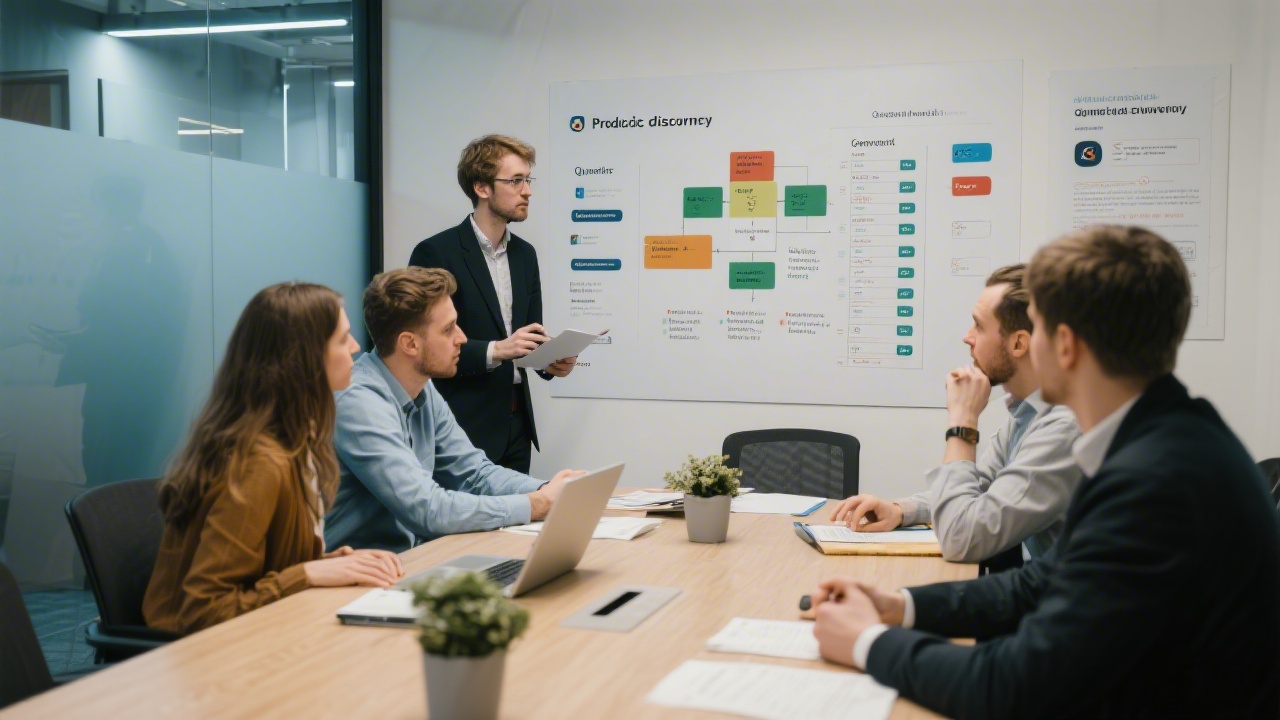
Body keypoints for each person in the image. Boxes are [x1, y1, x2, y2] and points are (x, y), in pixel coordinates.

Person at [811, 226, 1280, 718]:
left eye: (1037, 328)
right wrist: (899, 606)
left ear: (1065, 346)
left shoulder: (1153, 483)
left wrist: (866, 641)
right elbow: (1040, 581)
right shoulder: (1164, 435)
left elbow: (1014, 687)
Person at [144, 283, 404, 635]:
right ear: (306, 359)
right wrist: (308, 573)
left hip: (262, 634)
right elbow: (204, 609)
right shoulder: (259, 464)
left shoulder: (295, 441)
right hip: (200, 653)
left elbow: (263, 573)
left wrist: (330, 565)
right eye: (343, 339)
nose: (356, 347)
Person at [828, 265, 1081, 564]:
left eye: (979, 326)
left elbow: (961, 538)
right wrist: (900, 510)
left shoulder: (1064, 428)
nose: (967, 337)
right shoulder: (1028, 414)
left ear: (1018, 343)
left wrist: (963, 422)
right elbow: (981, 486)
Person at [324, 267, 582, 553]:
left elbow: (474, 475)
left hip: (413, 559)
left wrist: (554, 489)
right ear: (410, 343)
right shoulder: (358, 402)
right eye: (448, 329)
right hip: (361, 572)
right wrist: (537, 504)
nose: (462, 338)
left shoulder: (422, 387)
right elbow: (426, 509)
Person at [408, 134, 575, 474]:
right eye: (515, 181)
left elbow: (529, 338)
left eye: (528, 180)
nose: (527, 191)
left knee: (520, 510)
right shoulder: (435, 253)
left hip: (517, 427)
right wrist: (496, 350)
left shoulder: (525, 254)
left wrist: (550, 361)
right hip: (462, 427)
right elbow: (424, 347)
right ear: (482, 187)